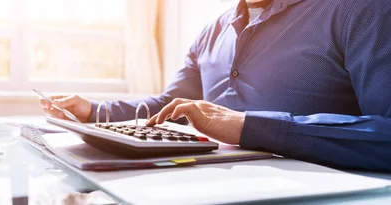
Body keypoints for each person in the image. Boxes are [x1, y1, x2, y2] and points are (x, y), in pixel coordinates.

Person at [39, 0, 391, 172]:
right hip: (205, 183)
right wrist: (94, 111)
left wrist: (248, 126)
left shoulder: (360, 10)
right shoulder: (212, 31)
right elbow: (171, 104)